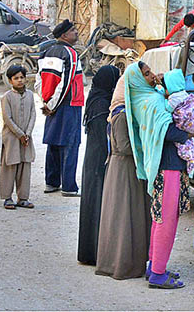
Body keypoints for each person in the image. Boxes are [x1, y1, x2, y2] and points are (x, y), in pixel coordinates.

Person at [125, 61, 194, 289]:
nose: (152, 76)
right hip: (168, 166)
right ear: (137, 79)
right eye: (146, 74)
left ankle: (155, 265)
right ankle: (157, 273)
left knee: (160, 217)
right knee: (166, 219)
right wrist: (190, 133)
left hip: (161, 165)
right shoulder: (153, 101)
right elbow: (168, 131)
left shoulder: (142, 97)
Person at [95, 71, 152, 280]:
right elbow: (125, 147)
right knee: (124, 217)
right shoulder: (121, 114)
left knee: (125, 216)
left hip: (125, 169)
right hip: (125, 170)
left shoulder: (124, 111)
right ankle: (123, 264)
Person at [78, 65, 120, 264]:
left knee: (92, 204)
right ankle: (96, 253)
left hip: (92, 160)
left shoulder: (96, 99)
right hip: (100, 161)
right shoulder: (103, 104)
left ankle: (90, 252)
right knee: (98, 205)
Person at [38, 19, 84, 197]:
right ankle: (69, 186)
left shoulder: (47, 51)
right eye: (73, 30)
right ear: (64, 35)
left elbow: (39, 79)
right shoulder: (70, 54)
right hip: (69, 103)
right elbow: (66, 82)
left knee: (53, 142)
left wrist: (46, 103)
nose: (76, 33)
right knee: (70, 144)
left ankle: (51, 182)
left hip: (52, 103)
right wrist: (53, 105)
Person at [0, 64, 36, 210]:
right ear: (10, 80)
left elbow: (33, 114)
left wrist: (27, 133)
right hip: (11, 138)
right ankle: (7, 197)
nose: (20, 80)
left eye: (22, 77)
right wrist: (20, 134)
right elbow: (7, 118)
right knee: (10, 166)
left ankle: (23, 198)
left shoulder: (30, 95)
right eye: (16, 78)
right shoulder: (7, 97)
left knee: (24, 167)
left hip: (26, 138)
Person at [160, 69, 194, 178]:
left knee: (184, 148)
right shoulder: (185, 94)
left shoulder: (173, 98)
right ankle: (191, 164)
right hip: (190, 126)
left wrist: (162, 100)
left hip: (171, 163)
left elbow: (168, 108)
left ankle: (190, 163)